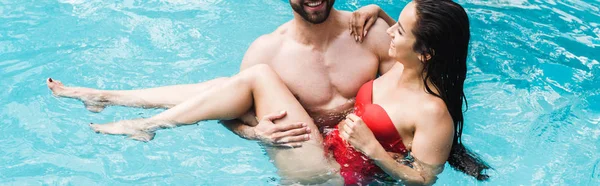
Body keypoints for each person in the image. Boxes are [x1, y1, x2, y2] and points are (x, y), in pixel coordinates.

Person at [49, 0, 492, 185]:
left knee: (254, 78)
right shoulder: (397, 60)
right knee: (233, 84)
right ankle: (111, 97)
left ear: (425, 50)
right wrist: (256, 135)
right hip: (319, 148)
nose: (390, 28)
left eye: (398, 27)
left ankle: (144, 124)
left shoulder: (428, 104)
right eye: (390, 22)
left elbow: (425, 179)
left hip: (338, 177)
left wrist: (373, 149)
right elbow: (424, 37)